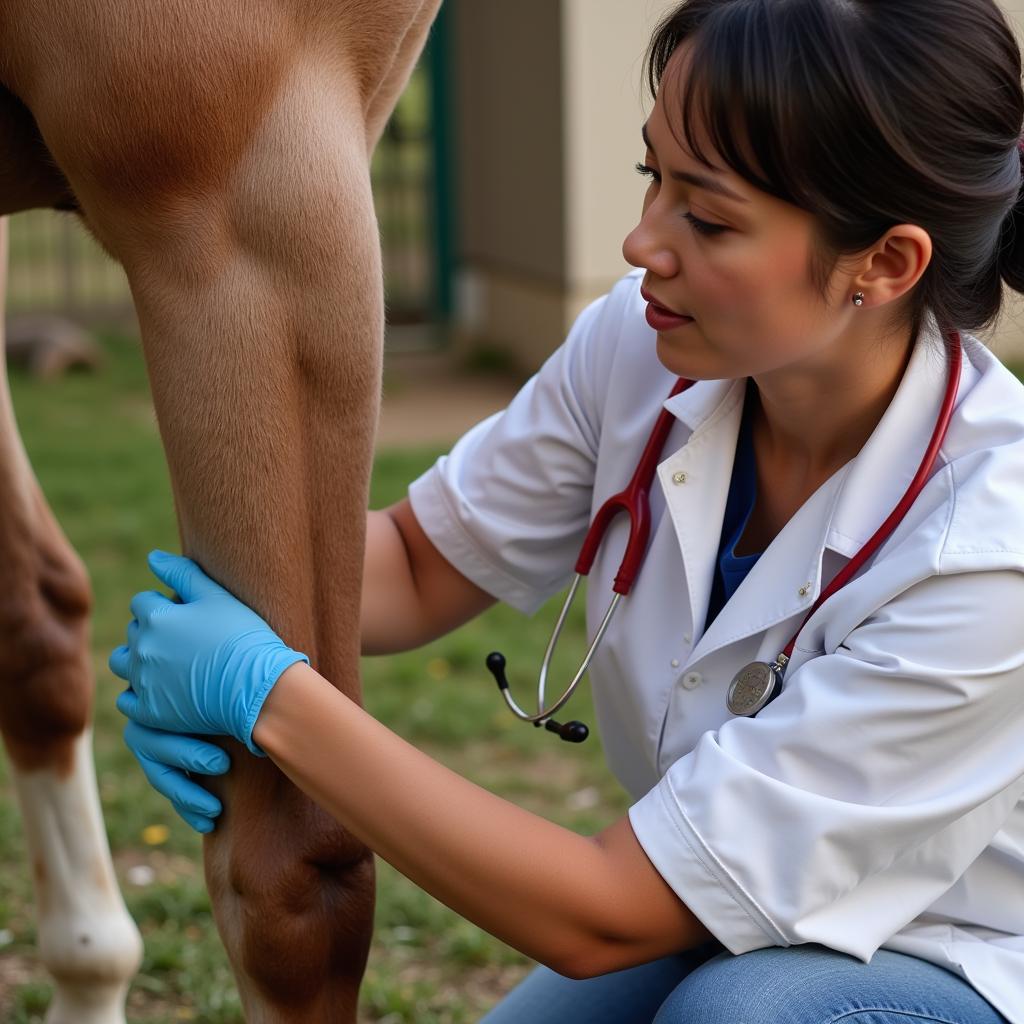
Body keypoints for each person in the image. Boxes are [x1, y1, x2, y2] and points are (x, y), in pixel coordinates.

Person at [109, 1, 1024, 1020]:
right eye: (653, 176)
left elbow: (604, 914)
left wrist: (270, 697)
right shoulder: (640, 349)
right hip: (736, 906)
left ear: (885, 264)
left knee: (739, 1015)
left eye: (708, 218)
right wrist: (226, 610)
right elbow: (412, 567)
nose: (641, 244)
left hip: (960, 949)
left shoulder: (987, 553)